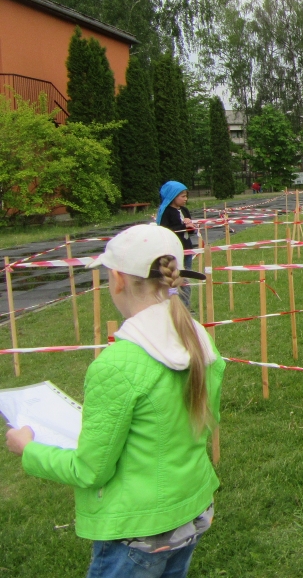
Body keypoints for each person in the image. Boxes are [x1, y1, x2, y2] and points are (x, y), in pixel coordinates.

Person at [5, 223, 224, 577]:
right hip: (190, 511)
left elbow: (90, 470)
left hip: (135, 532)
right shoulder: (200, 341)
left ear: (118, 280)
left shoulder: (117, 364)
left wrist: (28, 449)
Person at [158, 181, 197, 309]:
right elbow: (165, 230)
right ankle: (171, 305)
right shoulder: (166, 212)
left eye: (186, 196)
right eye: (182, 196)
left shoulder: (184, 210)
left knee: (185, 277)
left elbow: (191, 231)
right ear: (173, 196)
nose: (185, 199)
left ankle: (186, 306)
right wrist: (183, 226)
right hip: (172, 250)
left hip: (186, 248)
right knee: (173, 278)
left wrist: (190, 226)